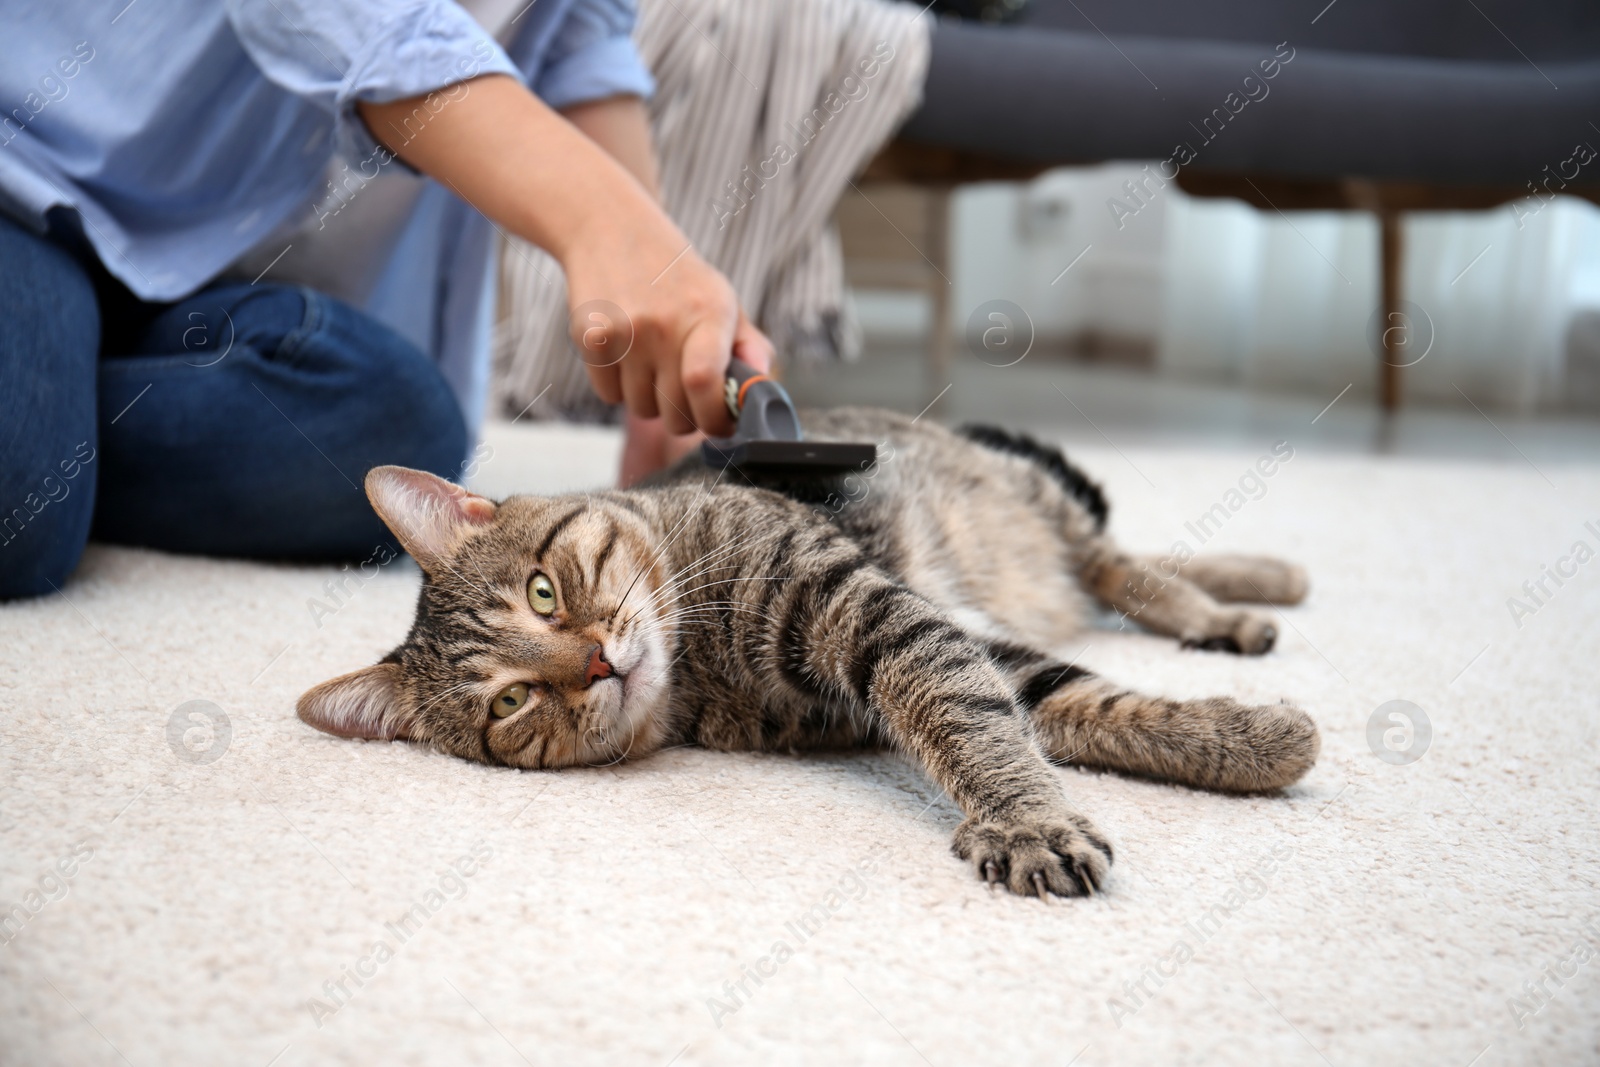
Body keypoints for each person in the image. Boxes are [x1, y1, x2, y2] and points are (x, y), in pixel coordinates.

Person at [0, 0, 771, 600]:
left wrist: (666, 345)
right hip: (25, 179)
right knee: (18, 504)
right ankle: (37, 429)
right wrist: (602, 220)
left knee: (402, 428)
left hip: (205, 286)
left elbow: (582, 49)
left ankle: (47, 402)